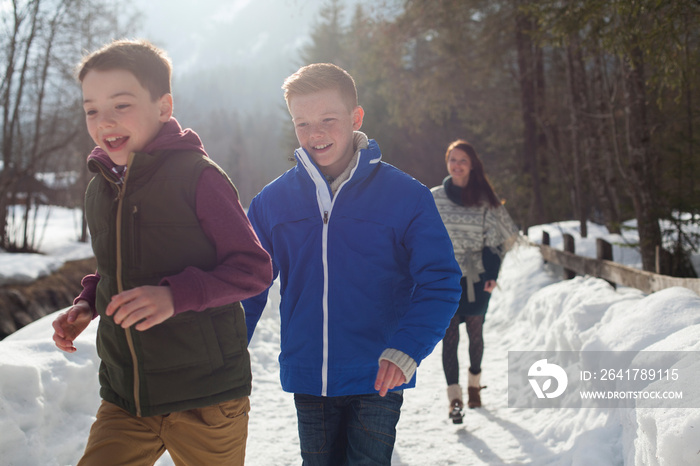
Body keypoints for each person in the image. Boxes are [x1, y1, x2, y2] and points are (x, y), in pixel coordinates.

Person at [51, 39, 272, 465]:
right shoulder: (100, 187)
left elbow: (254, 269)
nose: (104, 121)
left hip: (205, 397)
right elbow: (113, 267)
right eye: (92, 109)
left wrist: (175, 295)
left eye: (121, 105)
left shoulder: (199, 177)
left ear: (164, 106)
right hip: (127, 394)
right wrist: (87, 304)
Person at [242, 63, 462, 465]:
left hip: (378, 373)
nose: (316, 134)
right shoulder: (272, 202)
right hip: (309, 374)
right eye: (302, 123)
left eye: (328, 119)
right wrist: (225, 352)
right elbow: (247, 284)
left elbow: (441, 282)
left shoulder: (406, 196)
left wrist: (406, 349)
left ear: (356, 117)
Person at [431, 139, 519, 424]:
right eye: (452, 159)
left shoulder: (484, 201)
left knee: (475, 333)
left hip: (477, 277)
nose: (457, 165)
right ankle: (455, 399)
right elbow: (422, 235)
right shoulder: (434, 198)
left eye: (463, 161)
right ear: (447, 162)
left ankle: (474, 385)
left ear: (472, 165)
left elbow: (498, 240)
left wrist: (492, 274)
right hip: (444, 277)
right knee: (449, 337)